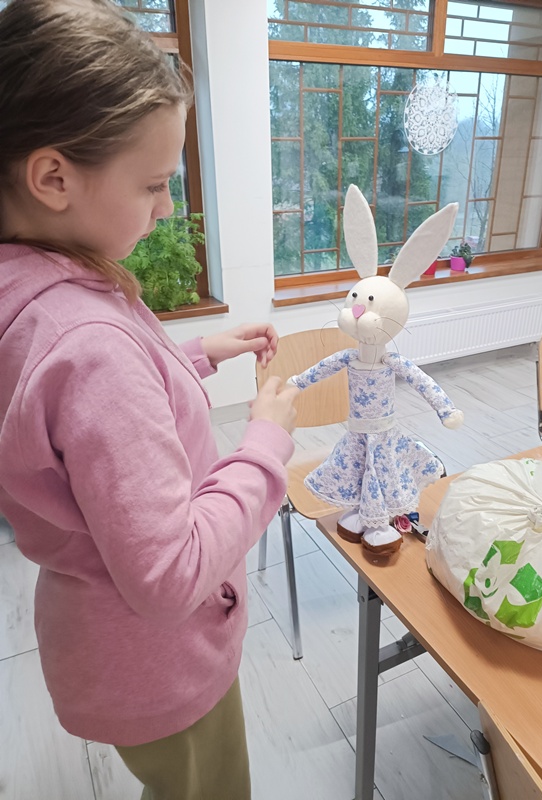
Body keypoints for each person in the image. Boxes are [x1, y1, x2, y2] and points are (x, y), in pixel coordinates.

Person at [0, 1, 299, 798]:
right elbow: (169, 575)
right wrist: (264, 447)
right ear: (53, 177)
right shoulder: (88, 343)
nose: (167, 208)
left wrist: (195, 355)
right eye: (155, 185)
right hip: (160, 667)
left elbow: (79, 422)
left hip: (103, 649)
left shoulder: (37, 296)